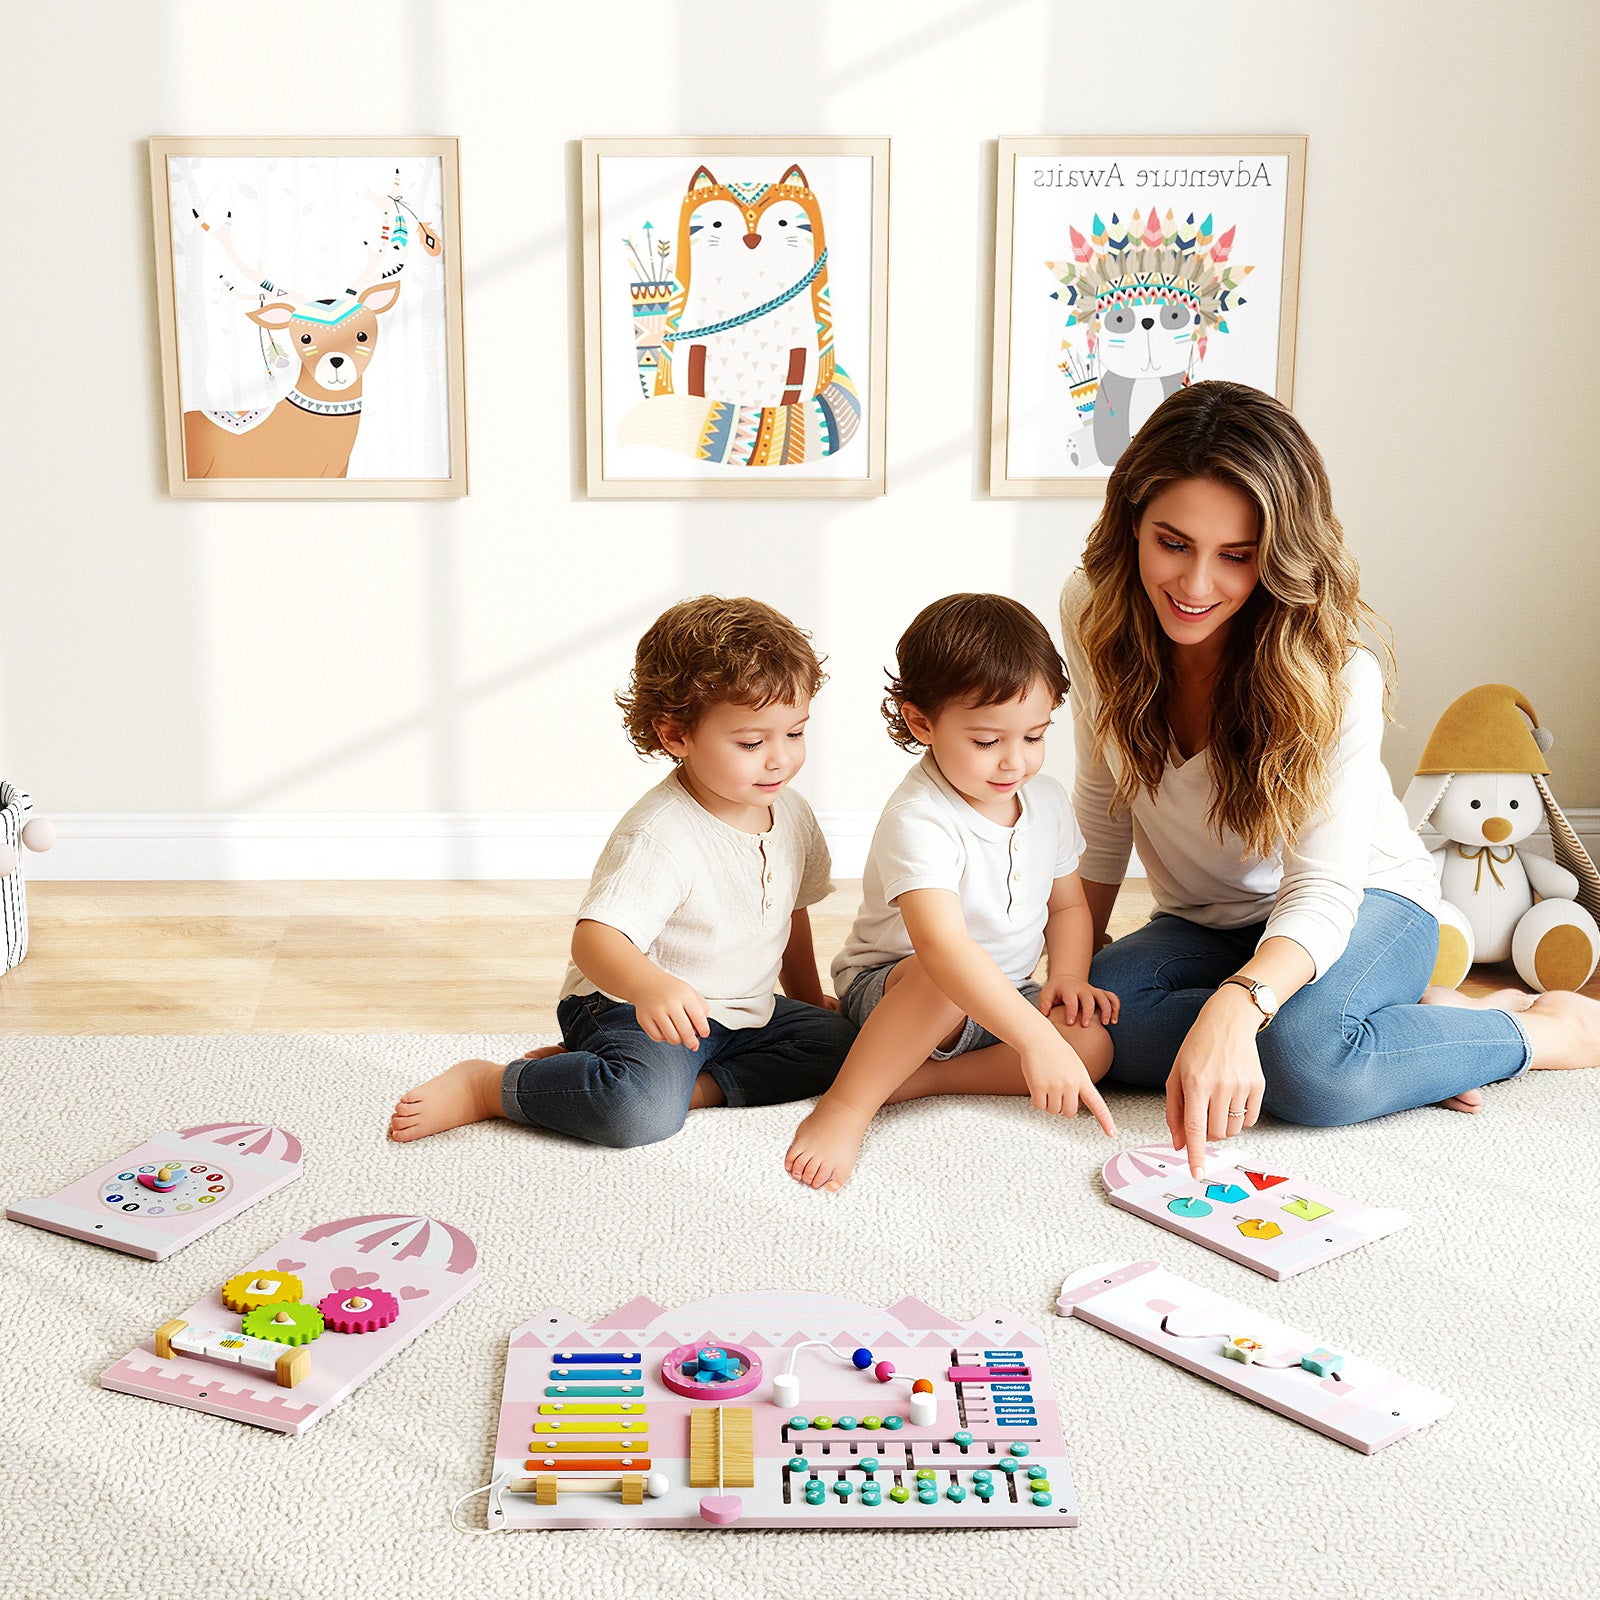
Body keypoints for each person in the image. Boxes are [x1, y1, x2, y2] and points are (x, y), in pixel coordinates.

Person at [1060, 380, 1600, 1178]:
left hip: (1364, 904)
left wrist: (1238, 1006)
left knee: (1306, 1067)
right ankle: (1392, 1041)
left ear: (1275, 557)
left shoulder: (1333, 674)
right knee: (1090, 1027)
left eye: (1235, 557)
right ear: (1132, 523)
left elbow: (1321, 892)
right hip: (1208, 922)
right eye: (1172, 543)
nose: (1196, 585)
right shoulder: (1092, 611)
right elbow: (1102, 808)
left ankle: (1542, 1032)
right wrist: (1074, 971)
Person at [388, 595, 857, 1148]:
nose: (780, 758)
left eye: (795, 733)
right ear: (676, 736)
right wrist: (650, 987)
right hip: (626, 1005)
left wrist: (804, 997)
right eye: (752, 742)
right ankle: (489, 1086)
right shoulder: (661, 834)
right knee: (636, 1115)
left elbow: (790, 914)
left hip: (740, 1013)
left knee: (850, 1047)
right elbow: (595, 940)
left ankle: (657, 1085)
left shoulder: (793, 814)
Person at [785, 593, 1118, 1192]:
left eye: (1036, 736)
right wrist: (1035, 1038)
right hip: (902, 988)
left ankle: (916, 1082)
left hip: (1004, 997)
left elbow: (1067, 905)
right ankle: (848, 1104)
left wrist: (1068, 976)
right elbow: (942, 950)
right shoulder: (920, 817)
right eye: (988, 742)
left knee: (1091, 1050)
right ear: (922, 724)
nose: (1015, 761)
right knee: (944, 982)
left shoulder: (1045, 802)